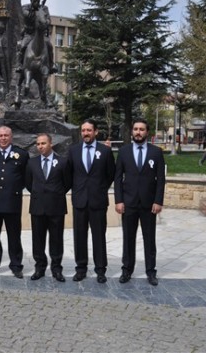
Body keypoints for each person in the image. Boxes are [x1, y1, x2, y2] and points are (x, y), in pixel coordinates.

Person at [114, 118, 166, 286]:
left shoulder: (156, 152)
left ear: (147, 132)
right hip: (128, 203)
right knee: (128, 238)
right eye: (135, 129)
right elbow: (117, 178)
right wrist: (119, 200)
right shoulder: (124, 152)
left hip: (149, 204)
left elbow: (161, 180)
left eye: (141, 129)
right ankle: (126, 270)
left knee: (149, 239)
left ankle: (151, 271)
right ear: (132, 131)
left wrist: (158, 201)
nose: (138, 132)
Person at [66, 119, 115, 283]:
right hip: (79, 201)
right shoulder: (73, 151)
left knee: (99, 236)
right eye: (83, 130)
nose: (85, 133)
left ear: (95, 132)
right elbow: (69, 175)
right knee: (79, 236)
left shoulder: (105, 151)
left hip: (98, 201)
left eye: (89, 130)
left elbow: (110, 175)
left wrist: (99, 189)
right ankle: (81, 269)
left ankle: (101, 270)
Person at [0, 126, 29, 279]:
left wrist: (13, 188)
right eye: (0, 135)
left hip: (12, 200)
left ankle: (16, 265)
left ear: (11, 137)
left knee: (14, 235)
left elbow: (25, 177)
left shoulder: (21, 154)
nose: (3, 138)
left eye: (6, 135)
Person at [25, 133, 69, 282]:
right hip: (37, 207)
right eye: (38, 144)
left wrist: (55, 193)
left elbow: (67, 182)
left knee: (56, 239)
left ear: (51, 144)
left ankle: (56, 269)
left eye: (43, 143)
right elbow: (28, 183)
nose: (40, 147)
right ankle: (40, 268)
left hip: (56, 206)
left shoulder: (62, 162)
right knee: (38, 239)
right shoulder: (32, 163)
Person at [15, 0, 57, 74]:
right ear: (31, 0)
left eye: (38, 0)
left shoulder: (44, 8)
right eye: (35, 0)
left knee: (49, 45)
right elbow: (26, 15)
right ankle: (19, 65)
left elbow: (48, 20)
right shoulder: (25, 7)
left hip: (41, 35)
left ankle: (52, 64)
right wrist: (34, 10)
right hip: (29, 34)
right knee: (22, 46)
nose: (36, 2)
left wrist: (44, 19)